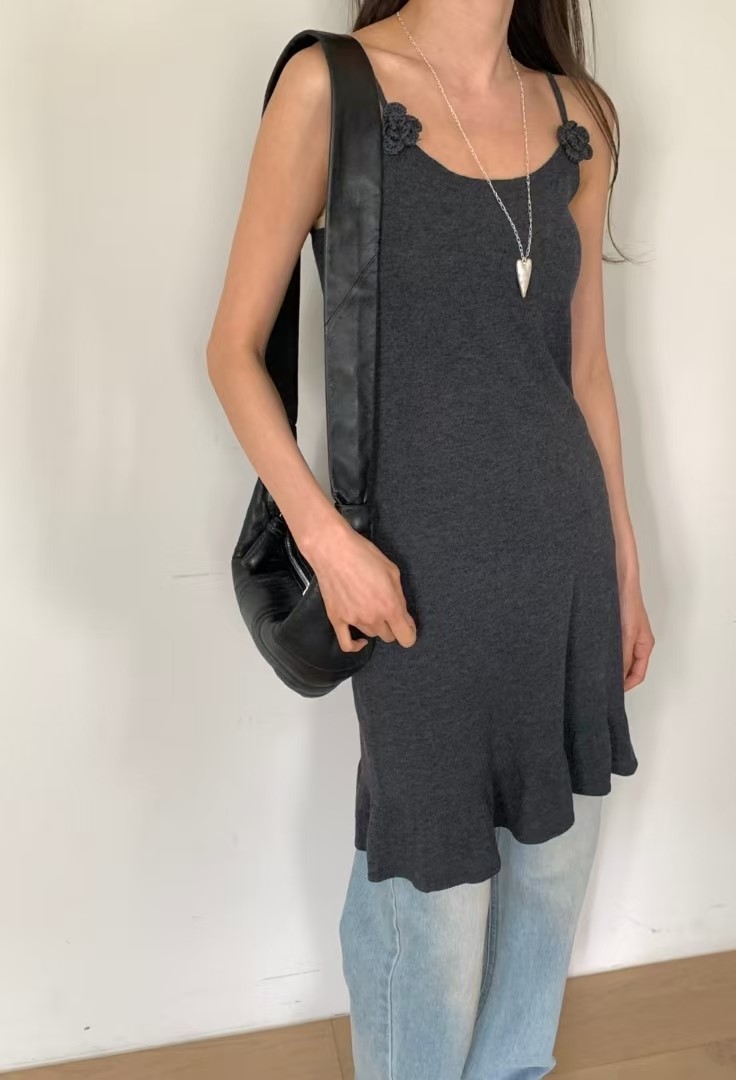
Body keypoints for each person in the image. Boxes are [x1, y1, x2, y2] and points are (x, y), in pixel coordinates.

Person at [206, 1, 654, 1076]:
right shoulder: (332, 88)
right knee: (432, 904)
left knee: (550, 879)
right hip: (415, 587)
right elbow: (231, 349)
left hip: (565, 571)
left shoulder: (580, 118)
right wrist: (328, 545)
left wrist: (625, 571)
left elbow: (587, 374)